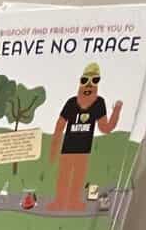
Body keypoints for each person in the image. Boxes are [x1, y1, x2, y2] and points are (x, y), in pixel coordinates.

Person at [49, 63, 122, 212]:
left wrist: (116, 111)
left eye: (94, 80)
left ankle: (74, 202)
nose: (89, 85)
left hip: (83, 152)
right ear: (80, 82)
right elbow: (59, 126)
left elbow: (105, 128)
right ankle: (60, 201)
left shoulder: (99, 103)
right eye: (85, 81)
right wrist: (53, 149)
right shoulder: (71, 103)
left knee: (78, 179)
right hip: (67, 150)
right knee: (63, 177)